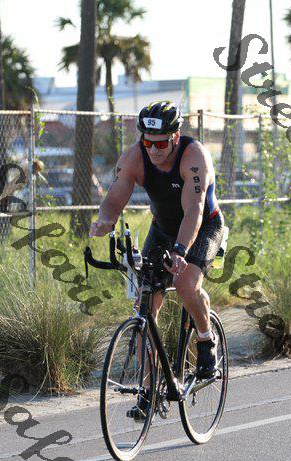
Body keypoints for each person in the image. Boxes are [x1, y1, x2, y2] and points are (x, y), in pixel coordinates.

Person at [89, 100, 224, 420]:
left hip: (203, 227)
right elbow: (114, 197)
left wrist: (180, 252)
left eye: (161, 143)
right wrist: (105, 220)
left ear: (175, 137)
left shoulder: (194, 156)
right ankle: (149, 391)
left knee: (185, 283)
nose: (153, 150)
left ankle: (206, 340)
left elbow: (194, 210)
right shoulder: (134, 157)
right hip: (162, 230)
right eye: (148, 142)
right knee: (145, 307)